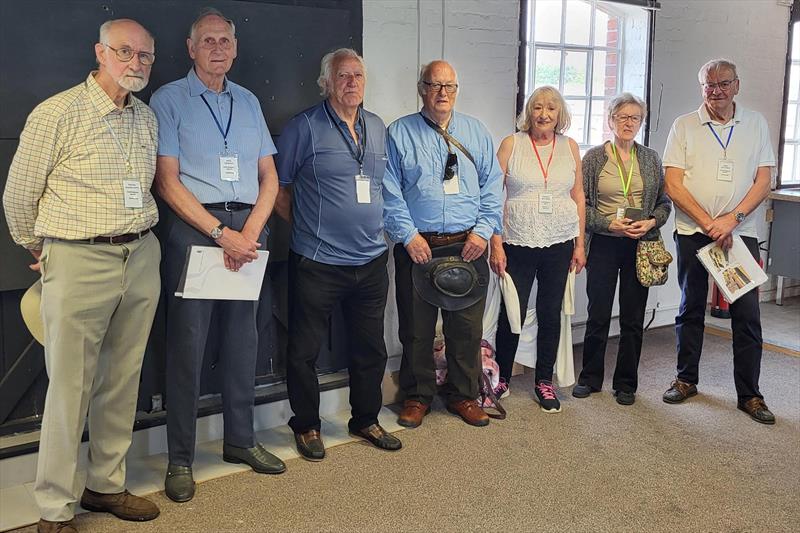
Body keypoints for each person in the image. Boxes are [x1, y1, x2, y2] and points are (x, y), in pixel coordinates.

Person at [3, 19, 161, 533]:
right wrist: (40, 246)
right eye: (125, 52)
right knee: (69, 388)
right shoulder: (57, 113)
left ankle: (106, 485)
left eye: (145, 56)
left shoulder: (147, 118)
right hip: (78, 257)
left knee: (122, 379)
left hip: (139, 255)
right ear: (100, 51)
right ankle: (54, 507)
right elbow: (19, 197)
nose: (135, 63)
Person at [149, 8, 285, 503]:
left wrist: (250, 230)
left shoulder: (248, 102)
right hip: (196, 230)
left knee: (243, 341)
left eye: (225, 40)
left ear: (235, 47)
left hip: (249, 230)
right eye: (208, 41)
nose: (218, 48)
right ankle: (181, 458)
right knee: (188, 348)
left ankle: (240, 441)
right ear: (190, 49)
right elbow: (167, 180)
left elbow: (268, 176)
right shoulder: (169, 100)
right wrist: (219, 232)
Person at [274, 48, 401, 461]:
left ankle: (365, 419)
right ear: (326, 82)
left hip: (371, 260)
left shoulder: (378, 128)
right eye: (342, 76)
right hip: (317, 263)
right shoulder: (304, 128)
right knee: (304, 350)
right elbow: (276, 185)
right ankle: (307, 424)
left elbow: (383, 186)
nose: (351, 83)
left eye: (358, 76)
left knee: (371, 348)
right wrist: (308, 227)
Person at [383, 60, 504, 428]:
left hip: (468, 246)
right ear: (422, 89)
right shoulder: (399, 132)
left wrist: (483, 232)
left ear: (457, 90)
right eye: (435, 86)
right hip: (419, 247)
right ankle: (417, 396)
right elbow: (389, 191)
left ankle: (463, 395)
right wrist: (408, 236)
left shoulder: (476, 132)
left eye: (449, 86)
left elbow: (493, 185)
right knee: (416, 330)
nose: (442, 94)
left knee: (466, 330)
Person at [662, 59, 776, 424]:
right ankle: (685, 379)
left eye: (724, 83)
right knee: (690, 307)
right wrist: (710, 223)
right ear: (702, 88)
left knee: (746, 316)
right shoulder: (684, 126)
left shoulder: (755, 123)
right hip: (694, 232)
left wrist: (732, 220)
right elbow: (674, 184)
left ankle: (750, 394)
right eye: (709, 85)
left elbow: (763, 181)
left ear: (737, 85)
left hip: (740, 234)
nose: (717, 90)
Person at [489, 86, 586, 414]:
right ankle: (501, 375)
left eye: (551, 109)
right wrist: (496, 243)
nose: (544, 114)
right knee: (511, 311)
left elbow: (579, 196)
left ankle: (544, 379)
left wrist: (580, 243)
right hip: (517, 241)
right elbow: (492, 196)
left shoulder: (570, 147)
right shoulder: (511, 144)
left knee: (550, 313)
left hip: (560, 242)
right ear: (528, 112)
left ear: (560, 115)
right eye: (538, 108)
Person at [573, 93, 672, 406]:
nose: (628, 123)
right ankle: (589, 378)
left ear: (641, 123)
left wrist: (651, 222)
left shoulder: (651, 159)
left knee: (632, 317)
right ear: (610, 120)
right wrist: (607, 224)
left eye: (635, 118)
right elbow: (581, 206)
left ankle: (626, 383)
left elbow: (664, 203)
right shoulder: (594, 159)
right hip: (603, 244)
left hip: (639, 246)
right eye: (622, 117)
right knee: (598, 314)